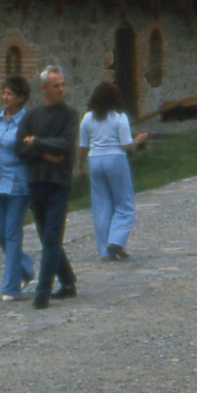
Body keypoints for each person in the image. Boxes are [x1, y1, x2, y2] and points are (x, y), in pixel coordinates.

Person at [19, 66, 79, 309]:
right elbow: (20, 148)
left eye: (63, 84)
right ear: (44, 88)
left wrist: (38, 143)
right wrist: (44, 154)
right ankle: (68, 282)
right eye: (56, 86)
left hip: (59, 183)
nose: (61, 89)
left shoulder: (70, 115)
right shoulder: (32, 116)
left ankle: (42, 291)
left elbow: (65, 145)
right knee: (46, 238)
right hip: (36, 182)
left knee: (53, 238)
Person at [0, 73, 35, 300]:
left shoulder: (28, 121)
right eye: (3, 92)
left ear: (20, 97)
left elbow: (31, 149)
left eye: (9, 93)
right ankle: (26, 267)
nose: (4, 97)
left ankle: (10, 288)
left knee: (12, 233)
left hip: (18, 184)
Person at [77, 82, 148, 261]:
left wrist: (80, 166)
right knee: (124, 204)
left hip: (95, 161)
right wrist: (138, 140)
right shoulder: (119, 117)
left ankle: (106, 251)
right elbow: (126, 145)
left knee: (102, 206)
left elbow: (83, 145)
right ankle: (116, 240)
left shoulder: (87, 118)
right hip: (115, 159)